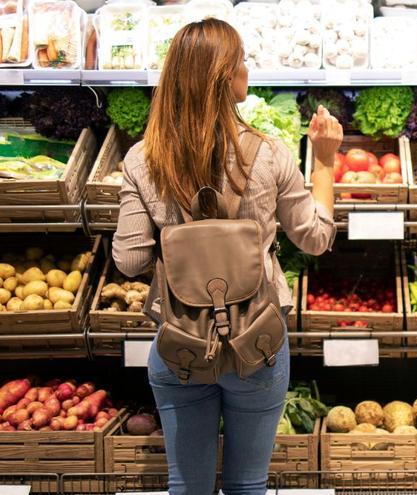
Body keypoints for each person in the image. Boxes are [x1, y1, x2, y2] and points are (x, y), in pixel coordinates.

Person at [111, 18, 342, 495]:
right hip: (257, 344)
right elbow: (315, 238)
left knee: (186, 486)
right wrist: (323, 162)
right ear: (224, 78)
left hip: (179, 344)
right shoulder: (270, 154)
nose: (247, 68)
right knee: (247, 485)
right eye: (240, 60)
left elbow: (129, 262)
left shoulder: (142, 160)